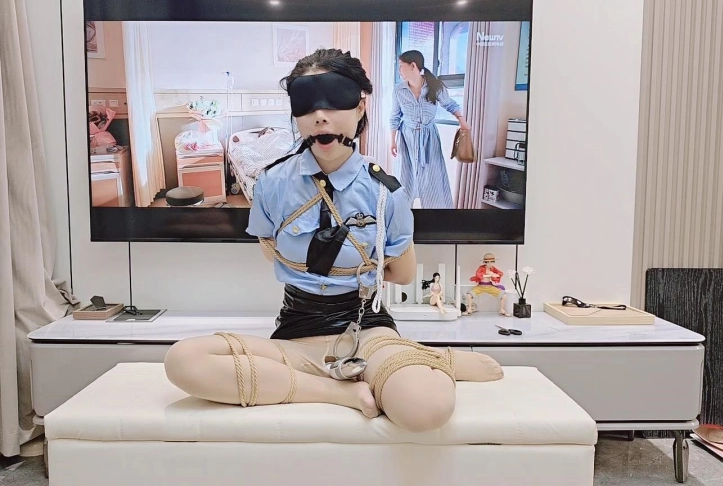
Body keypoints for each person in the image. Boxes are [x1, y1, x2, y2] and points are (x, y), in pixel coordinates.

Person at [164, 49, 503, 434]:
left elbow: (404, 275)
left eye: (335, 99)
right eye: (307, 103)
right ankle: (338, 390)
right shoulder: (270, 184)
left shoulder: (386, 191)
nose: (320, 116)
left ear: (360, 107)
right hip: (296, 334)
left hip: (367, 331)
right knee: (184, 360)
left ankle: (426, 358)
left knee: (426, 408)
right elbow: (276, 256)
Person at [390, 50, 471, 209]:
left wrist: (462, 121)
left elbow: (450, 104)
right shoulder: (399, 90)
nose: (399, 70)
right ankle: (402, 214)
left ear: (412, 66)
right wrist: (392, 141)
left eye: (401, 65)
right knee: (405, 178)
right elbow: (395, 116)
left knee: (433, 179)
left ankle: (435, 215)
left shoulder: (435, 86)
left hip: (429, 138)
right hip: (406, 138)